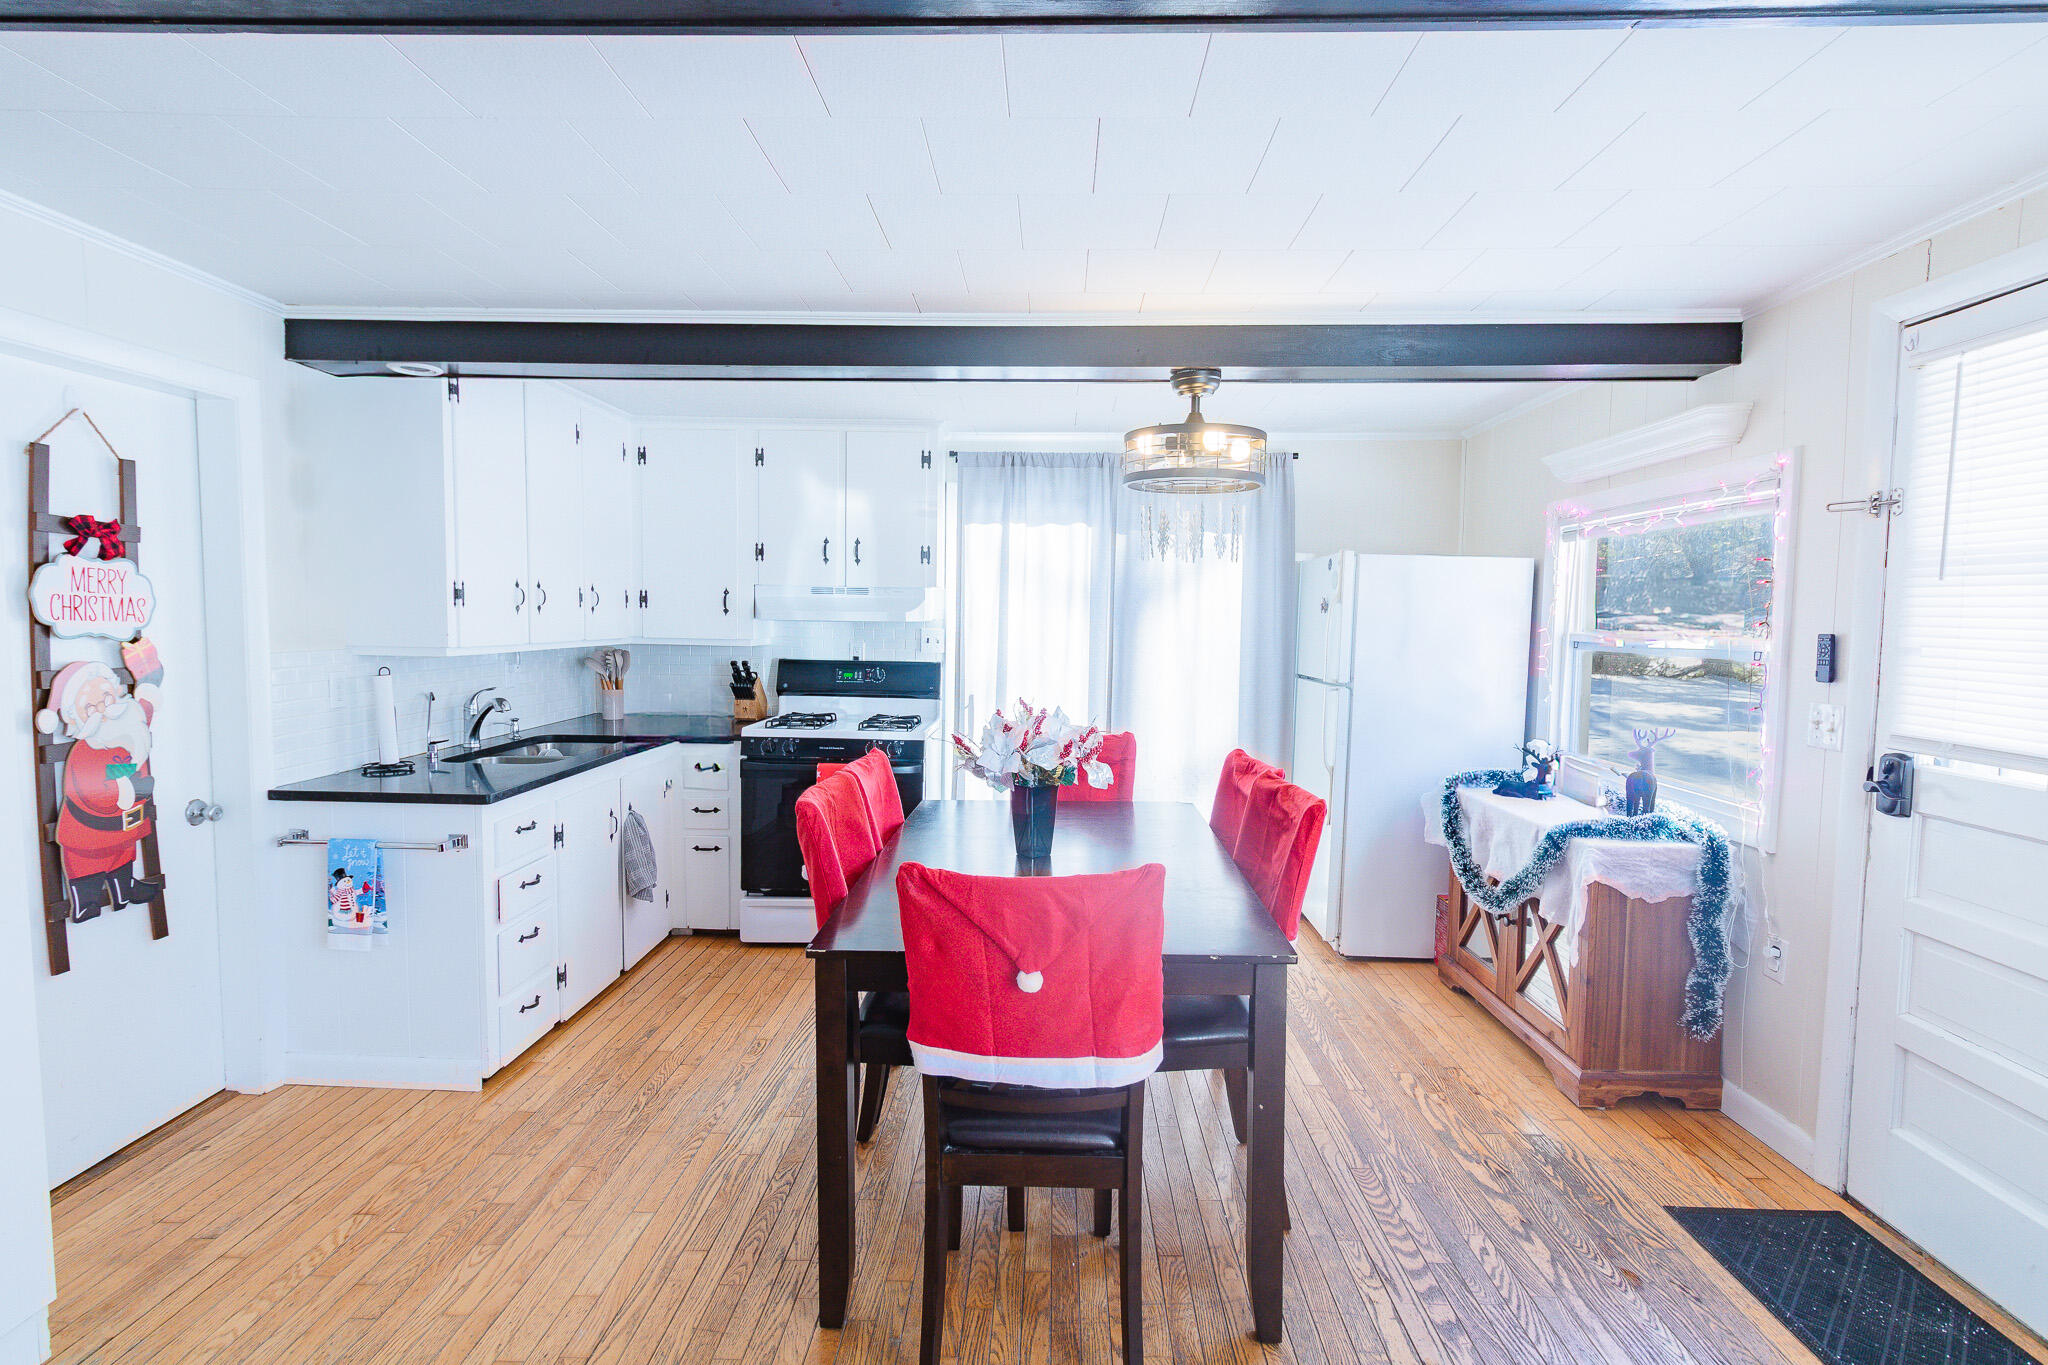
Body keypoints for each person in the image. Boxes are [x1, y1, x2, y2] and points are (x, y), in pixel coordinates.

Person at [35, 654, 163, 921]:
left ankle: (123, 890)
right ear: (75, 717)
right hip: (90, 833)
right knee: (86, 867)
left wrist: (150, 678)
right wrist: (129, 785)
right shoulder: (86, 751)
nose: (104, 710)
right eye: (90, 708)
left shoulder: (128, 729)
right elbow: (94, 790)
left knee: (123, 855)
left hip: (123, 826)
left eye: (106, 699)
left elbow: (145, 709)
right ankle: (86, 903)